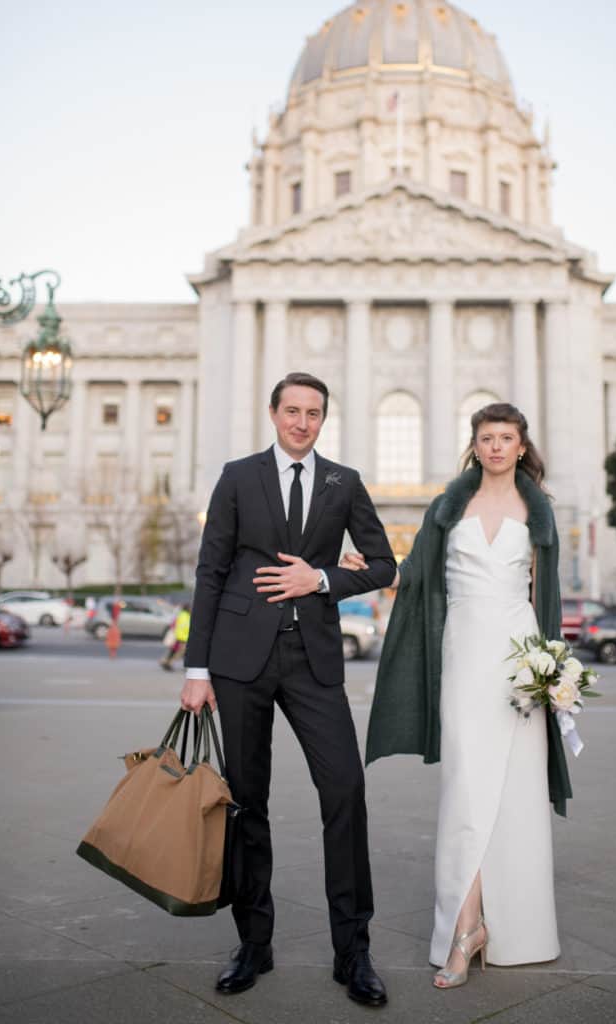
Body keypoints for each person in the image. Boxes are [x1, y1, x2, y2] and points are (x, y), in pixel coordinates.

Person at [180, 371, 396, 1006]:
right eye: (293, 410)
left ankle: (352, 953)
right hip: (239, 662)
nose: (303, 422)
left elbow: (383, 564)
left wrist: (322, 580)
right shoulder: (237, 476)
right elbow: (210, 570)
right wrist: (196, 672)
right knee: (246, 801)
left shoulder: (343, 483)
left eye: (314, 413)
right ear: (273, 413)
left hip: (314, 661)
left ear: (324, 420)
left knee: (346, 792)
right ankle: (253, 943)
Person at [348, 402, 571, 989]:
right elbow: (415, 573)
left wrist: (555, 671)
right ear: (474, 445)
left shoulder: (540, 510)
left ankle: (510, 927)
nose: (496, 446)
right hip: (464, 651)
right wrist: (371, 570)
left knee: (517, 793)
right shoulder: (449, 506)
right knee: (467, 787)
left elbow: (547, 598)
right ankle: (465, 926)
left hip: (520, 655)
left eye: (507, 437)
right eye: (486, 437)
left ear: (522, 446)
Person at [160, 602, 191, 671]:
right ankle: (167, 662)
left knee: (175, 650)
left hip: (179, 636)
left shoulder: (182, 615)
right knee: (180, 652)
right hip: (182, 637)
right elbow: (186, 627)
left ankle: (165, 661)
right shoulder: (185, 616)